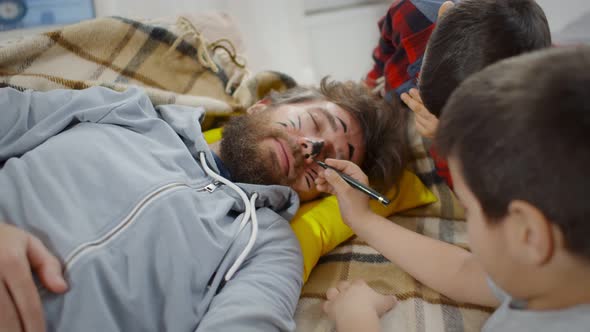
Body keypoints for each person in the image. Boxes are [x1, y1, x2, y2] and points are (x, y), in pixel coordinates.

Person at [0, 78, 406, 331]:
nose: (311, 147)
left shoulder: (268, 249)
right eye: (315, 123)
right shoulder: (123, 112)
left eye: (332, 158)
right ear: (263, 106)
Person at [316, 46, 590, 331]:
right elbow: (465, 272)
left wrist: (356, 317)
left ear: (529, 234)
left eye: (468, 209)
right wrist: (363, 218)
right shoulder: (553, 273)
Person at [367, 0, 551, 187]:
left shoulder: (514, 117)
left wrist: (444, 137)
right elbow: (384, 50)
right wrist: (370, 83)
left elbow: (475, 191)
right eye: (422, 74)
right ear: (442, 15)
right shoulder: (412, 10)